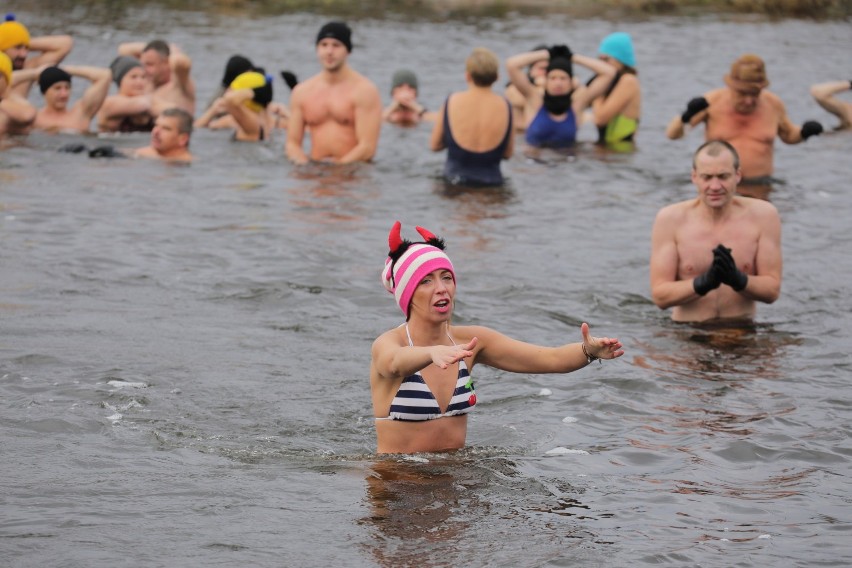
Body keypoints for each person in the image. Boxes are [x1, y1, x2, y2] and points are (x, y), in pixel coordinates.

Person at [370, 221, 624, 454]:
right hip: (396, 484)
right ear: (407, 294)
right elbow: (393, 362)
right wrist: (430, 353)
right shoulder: (389, 343)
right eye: (426, 281)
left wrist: (589, 351)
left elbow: (551, 358)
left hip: (453, 483)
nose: (441, 288)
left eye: (446, 277)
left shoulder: (472, 340)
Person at [650, 140, 782, 323]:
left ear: (738, 175)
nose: (715, 186)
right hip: (686, 331)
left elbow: (772, 290)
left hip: (742, 329)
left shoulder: (764, 215)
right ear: (694, 177)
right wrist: (703, 283)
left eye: (723, 176)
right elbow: (661, 296)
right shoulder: (670, 219)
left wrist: (738, 280)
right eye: (707, 177)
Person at [666, 54, 823, 194]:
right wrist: (687, 115)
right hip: (717, 188)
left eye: (754, 94)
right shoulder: (712, 101)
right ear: (731, 86)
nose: (749, 101)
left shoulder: (773, 104)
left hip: (760, 186)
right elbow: (673, 134)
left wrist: (804, 133)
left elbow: (789, 136)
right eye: (742, 94)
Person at [286, 21, 382, 164]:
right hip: (315, 171)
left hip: (352, 174)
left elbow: (367, 147)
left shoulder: (364, 91)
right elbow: (292, 143)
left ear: (348, 50)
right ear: (317, 49)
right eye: (324, 45)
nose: (329, 51)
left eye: (336, 45)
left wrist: (338, 170)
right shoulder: (301, 92)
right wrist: (303, 166)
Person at [429, 47, 513, 186]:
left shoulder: (451, 102)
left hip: (454, 185)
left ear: (467, 76)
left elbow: (435, 145)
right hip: (492, 185)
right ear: (497, 77)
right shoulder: (505, 106)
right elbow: (508, 154)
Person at [506, 44, 615, 149]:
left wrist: (572, 57)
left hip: (567, 163)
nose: (558, 83)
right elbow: (512, 65)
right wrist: (548, 53)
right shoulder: (534, 100)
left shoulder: (577, 106)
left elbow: (609, 72)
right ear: (546, 81)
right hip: (535, 164)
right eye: (553, 78)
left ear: (571, 82)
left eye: (563, 78)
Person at [585, 32, 641, 149]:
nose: (602, 64)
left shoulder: (628, 81)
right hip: (605, 149)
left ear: (621, 60)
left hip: (620, 152)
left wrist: (600, 86)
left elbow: (600, 119)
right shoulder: (612, 83)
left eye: (606, 59)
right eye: (599, 59)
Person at [0, 14, 73, 97]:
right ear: (2, 49)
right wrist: (35, 74)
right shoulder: (32, 72)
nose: (24, 54)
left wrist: (23, 40)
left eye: (26, 48)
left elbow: (65, 44)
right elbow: (9, 78)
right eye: (18, 48)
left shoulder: (28, 66)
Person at [117, 39, 196, 116]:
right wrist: (154, 49)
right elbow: (123, 50)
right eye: (143, 64)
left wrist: (173, 51)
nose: (144, 69)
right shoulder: (148, 82)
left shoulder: (180, 84)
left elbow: (181, 62)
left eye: (150, 64)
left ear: (166, 63)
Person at [194, 69, 273, 141]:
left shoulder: (254, 124)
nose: (229, 92)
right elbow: (197, 128)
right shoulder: (258, 117)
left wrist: (253, 92)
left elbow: (229, 99)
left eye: (234, 90)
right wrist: (213, 111)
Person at [33, 65, 111, 133]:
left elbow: (105, 75)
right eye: (57, 88)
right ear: (44, 91)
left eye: (67, 88)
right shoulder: (33, 117)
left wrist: (61, 68)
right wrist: (35, 73)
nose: (64, 94)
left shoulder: (81, 114)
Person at [97, 55, 155, 133]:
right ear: (120, 81)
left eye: (143, 77)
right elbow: (142, 105)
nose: (140, 82)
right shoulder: (108, 103)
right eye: (133, 77)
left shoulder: (150, 100)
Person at [504, 44, 548, 132]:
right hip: (520, 137)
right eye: (542, 68)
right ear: (531, 70)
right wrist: (539, 85)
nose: (546, 73)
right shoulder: (513, 87)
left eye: (549, 69)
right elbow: (522, 99)